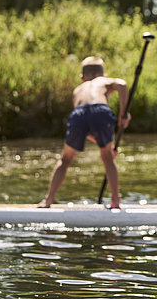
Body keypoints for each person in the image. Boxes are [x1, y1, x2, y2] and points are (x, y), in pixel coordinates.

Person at [38, 57, 130, 209]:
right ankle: (115, 201)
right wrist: (123, 113)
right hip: (100, 110)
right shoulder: (103, 81)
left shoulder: (77, 90)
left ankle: (48, 200)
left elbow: (85, 127)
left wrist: (102, 141)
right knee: (107, 158)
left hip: (79, 113)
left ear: (82, 78)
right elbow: (122, 84)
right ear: (103, 74)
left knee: (65, 159)